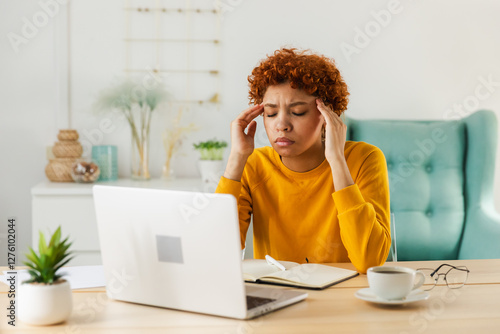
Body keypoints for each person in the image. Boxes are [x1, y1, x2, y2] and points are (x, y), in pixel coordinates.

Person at [215, 48, 390, 273]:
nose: (281, 124)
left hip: (344, 296)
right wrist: (237, 158)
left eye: (297, 112)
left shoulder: (365, 159)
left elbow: (370, 261)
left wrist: (336, 159)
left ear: (327, 116)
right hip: (280, 295)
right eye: (270, 113)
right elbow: (218, 252)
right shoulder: (254, 165)